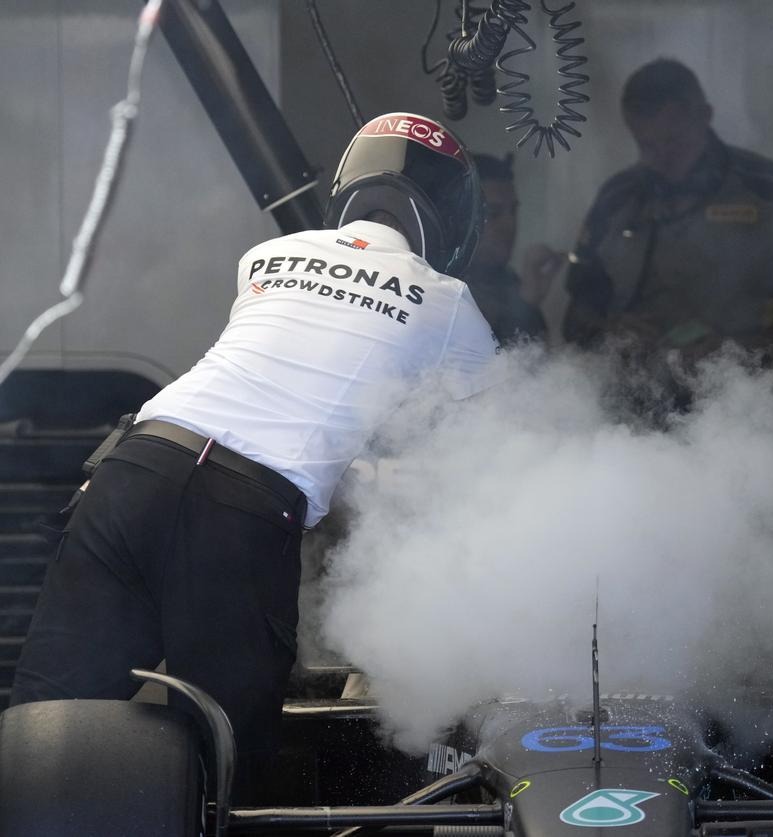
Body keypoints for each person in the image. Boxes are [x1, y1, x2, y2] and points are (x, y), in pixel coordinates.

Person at [9, 112, 503, 798]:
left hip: (129, 470)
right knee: (229, 765)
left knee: (48, 723)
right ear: (455, 217)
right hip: (237, 510)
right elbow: (488, 450)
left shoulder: (269, 257)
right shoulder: (449, 302)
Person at [563, 58, 773, 378]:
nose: (660, 160)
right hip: (637, 405)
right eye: (646, 145)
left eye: (673, 142)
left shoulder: (772, 191)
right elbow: (575, 321)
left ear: (704, 117)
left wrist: (736, 350)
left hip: (746, 403)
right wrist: (608, 332)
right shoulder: (617, 199)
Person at [462, 153, 557, 345]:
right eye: (493, 213)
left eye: (513, 211)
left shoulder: (506, 280)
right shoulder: (445, 286)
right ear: (461, 220)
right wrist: (526, 303)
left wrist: (529, 300)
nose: (510, 224)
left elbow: (538, 366)